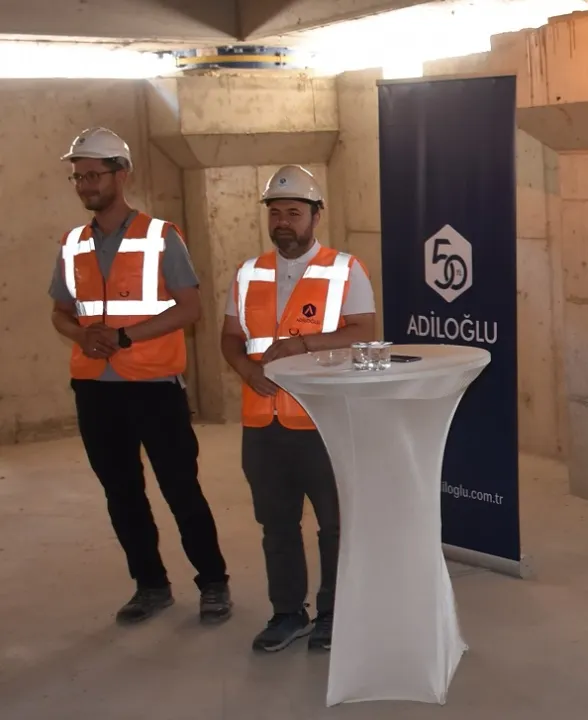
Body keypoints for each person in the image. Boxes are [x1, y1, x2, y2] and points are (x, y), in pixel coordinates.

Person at [49, 127, 232, 625]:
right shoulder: (72, 243)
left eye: (93, 174)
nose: (85, 184)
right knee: (122, 493)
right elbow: (61, 312)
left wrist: (124, 336)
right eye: (78, 176)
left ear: (121, 174)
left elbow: (190, 307)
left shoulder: (160, 237)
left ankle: (213, 582)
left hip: (154, 388)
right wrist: (81, 335)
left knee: (181, 489)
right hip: (95, 389)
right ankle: (150, 585)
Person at [220, 165, 376, 653]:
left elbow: (363, 330)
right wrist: (247, 371)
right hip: (262, 422)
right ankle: (288, 613)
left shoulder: (345, 269)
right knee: (277, 525)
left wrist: (299, 345)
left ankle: (334, 614)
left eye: (294, 212)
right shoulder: (249, 273)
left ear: (315, 216)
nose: (283, 222)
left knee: (335, 525)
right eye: (275, 213)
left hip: (323, 421)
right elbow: (230, 337)